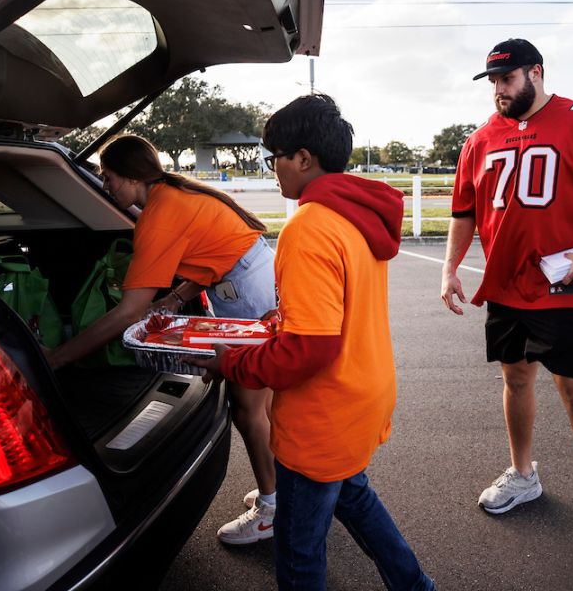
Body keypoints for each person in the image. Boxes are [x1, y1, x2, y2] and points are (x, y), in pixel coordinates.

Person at [190, 94, 434, 591]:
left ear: (304, 158)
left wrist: (235, 363)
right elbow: (340, 308)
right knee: (354, 499)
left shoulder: (309, 227)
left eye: (273, 156)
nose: (272, 168)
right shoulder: (356, 217)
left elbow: (310, 349)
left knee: (300, 552)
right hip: (364, 392)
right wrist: (284, 316)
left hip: (323, 411)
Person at [440, 39, 573, 561]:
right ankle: (523, 473)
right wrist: (450, 267)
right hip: (506, 286)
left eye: (507, 80)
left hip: (564, 284)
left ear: (536, 72)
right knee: (515, 378)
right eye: (493, 82)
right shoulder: (481, 138)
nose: (499, 91)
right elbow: (464, 212)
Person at [45, 134, 280, 546]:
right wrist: (174, 298)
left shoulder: (158, 215)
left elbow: (129, 311)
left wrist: (58, 359)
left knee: (248, 407)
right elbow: (211, 255)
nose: (105, 186)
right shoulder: (171, 194)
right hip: (247, 274)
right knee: (260, 402)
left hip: (243, 288)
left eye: (109, 177)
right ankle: (280, 489)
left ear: (133, 176)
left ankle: (273, 508)